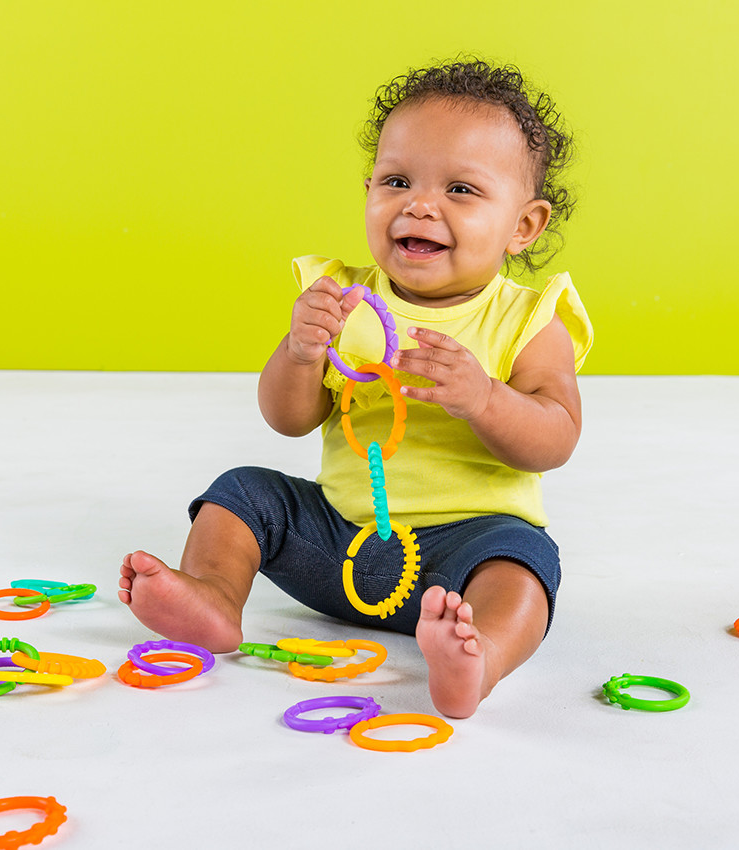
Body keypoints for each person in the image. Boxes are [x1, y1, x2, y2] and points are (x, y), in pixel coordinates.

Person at [119, 58, 593, 718]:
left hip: (464, 553)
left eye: (461, 189)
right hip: (339, 544)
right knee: (242, 491)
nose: (421, 204)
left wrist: (485, 399)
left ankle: (474, 655)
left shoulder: (528, 321)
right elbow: (288, 418)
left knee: (526, 567)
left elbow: (556, 436)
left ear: (523, 226)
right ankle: (214, 597)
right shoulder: (343, 298)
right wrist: (301, 351)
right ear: (369, 189)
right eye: (397, 180)